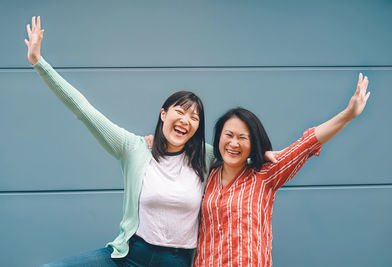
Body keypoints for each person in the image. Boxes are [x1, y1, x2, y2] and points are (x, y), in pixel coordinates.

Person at [24, 16, 278, 266]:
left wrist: (262, 154)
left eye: (195, 117)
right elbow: (84, 110)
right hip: (130, 254)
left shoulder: (205, 156)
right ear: (164, 114)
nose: (186, 120)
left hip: (176, 261)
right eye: (180, 111)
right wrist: (38, 63)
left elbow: (236, 152)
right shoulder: (133, 148)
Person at [194, 74, 370, 266]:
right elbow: (177, 150)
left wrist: (348, 115)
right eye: (228, 135)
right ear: (218, 137)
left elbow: (307, 144)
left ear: (253, 143)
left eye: (242, 137)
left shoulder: (265, 174)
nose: (233, 143)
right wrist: (154, 143)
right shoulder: (207, 173)